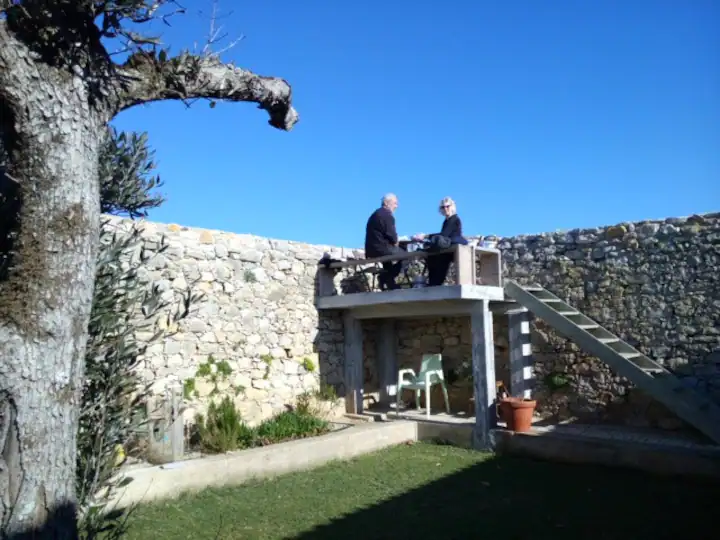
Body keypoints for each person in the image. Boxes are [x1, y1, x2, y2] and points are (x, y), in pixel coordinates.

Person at [413, 197, 465, 286]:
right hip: (446, 248)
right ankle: (433, 283)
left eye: (447, 206)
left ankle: (435, 283)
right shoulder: (447, 220)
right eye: (443, 207)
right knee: (431, 255)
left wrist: (426, 236)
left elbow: (444, 235)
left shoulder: (454, 219)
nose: (445, 209)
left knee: (436, 258)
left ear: (452, 206)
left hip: (451, 249)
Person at [365, 193, 402, 290]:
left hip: (371, 250)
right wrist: (396, 242)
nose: (396, 206)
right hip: (382, 249)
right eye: (395, 203)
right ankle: (385, 277)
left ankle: (390, 284)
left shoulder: (374, 214)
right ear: (386, 203)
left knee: (387, 261)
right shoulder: (387, 215)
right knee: (407, 255)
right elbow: (393, 237)